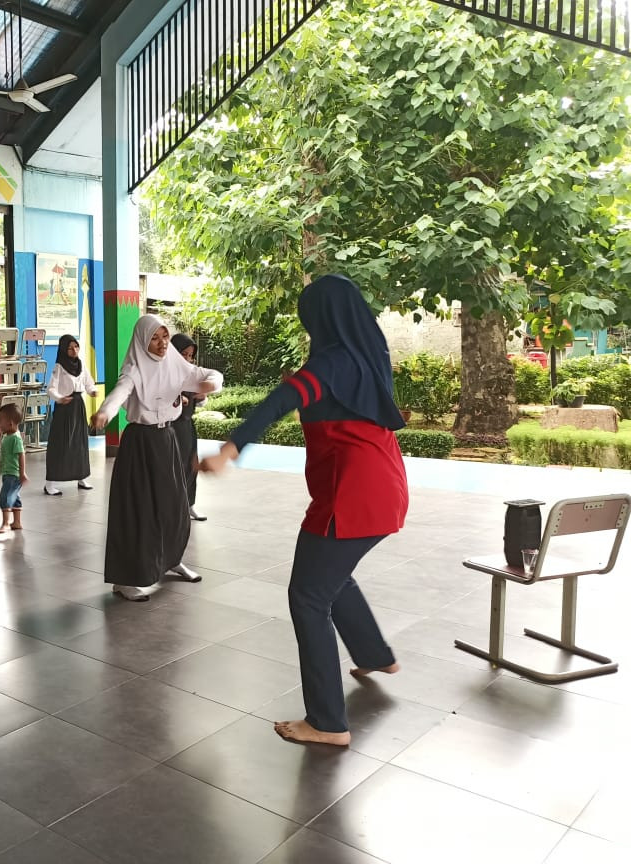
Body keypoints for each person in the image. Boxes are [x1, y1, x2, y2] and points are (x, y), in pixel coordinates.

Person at [200, 275, 409, 746]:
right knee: (331, 574)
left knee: (309, 597)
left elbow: (279, 402)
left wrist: (229, 449)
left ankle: (328, 723)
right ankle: (375, 655)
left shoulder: (329, 363)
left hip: (349, 495)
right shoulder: (368, 356)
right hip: (385, 486)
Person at [89, 314, 223, 601]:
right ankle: (124, 580)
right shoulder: (134, 369)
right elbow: (119, 394)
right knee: (138, 511)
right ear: (142, 341)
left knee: (175, 506)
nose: (162, 343)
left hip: (167, 439)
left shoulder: (176, 363)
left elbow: (208, 374)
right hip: (140, 443)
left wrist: (211, 385)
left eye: (165, 337)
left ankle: (172, 560)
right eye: (154, 338)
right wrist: (104, 413)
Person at [44, 334, 97, 497]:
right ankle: (50, 484)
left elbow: (88, 382)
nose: (74, 350)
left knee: (80, 442)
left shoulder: (81, 364)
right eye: (70, 348)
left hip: (78, 405)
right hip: (64, 407)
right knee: (60, 443)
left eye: (76, 346)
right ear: (63, 350)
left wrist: (92, 391)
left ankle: (82, 478)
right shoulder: (59, 367)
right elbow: (50, 389)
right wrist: (60, 398)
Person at [169, 333, 207, 521]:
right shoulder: (164, 373)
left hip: (187, 425)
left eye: (190, 355)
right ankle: (175, 507)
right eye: (183, 354)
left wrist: (202, 396)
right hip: (171, 427)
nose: (187, 359)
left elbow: (200, 401)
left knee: (191, 465)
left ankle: (189, 504)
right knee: (174, 467)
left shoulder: (192, 374)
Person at [0, 403, 27, 534]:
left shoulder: (15, 438)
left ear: (10, 423)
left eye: (0, 420)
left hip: (13, 474)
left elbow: (21, 455)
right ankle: (17, 522)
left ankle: (6, 523)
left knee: (5, 496)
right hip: (8, 473)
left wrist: (22, 473)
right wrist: (0, 429)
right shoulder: (9, 434)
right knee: (15, 497)